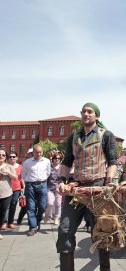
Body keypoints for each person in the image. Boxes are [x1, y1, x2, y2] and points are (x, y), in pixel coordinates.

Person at [56, 102, 117, 271]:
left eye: (90, 111)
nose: (86, 114)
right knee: (64, 231)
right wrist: (61, 179)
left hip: (98, 189)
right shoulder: (73, 137)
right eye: (83, 111)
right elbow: (67, 161)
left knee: (102, 233)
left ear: (96, 116)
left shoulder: (107, 135)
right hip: (76, 189)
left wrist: (109, 181)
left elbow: (112, 162)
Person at [22, 144, 51, 236]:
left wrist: (42, 180)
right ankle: (33, 227)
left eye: (40, 152)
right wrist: (29, 182)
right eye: (36, 152)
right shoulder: (27, 162)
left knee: (42, 206)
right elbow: (24, 174)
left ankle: (37, 221)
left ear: (42, 152)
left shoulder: (46, 161)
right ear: (33, 152)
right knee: (31, 207)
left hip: (42, 184)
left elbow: (48, 172)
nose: (38, 154)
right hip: (30, 185)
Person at [3, 152, 24, 230]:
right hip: (7, 188)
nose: (12, 158)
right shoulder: (5, 167)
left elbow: (22, 178)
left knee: (13, 205)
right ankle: (4, 222)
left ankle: (10, 222)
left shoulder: (20, 167)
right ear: (8, 158)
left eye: (14, 157)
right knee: (6, 206)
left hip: (16, 188)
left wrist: (23, 187)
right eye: (10, 157)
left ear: (17, 158)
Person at [0, 149, 18, 240]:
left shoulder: (9, 166)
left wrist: (8, 172)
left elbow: (15, 178)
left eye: (3, 155)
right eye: (0, 154)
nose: (1, 156)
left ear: (5, 157)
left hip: (6, 193)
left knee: (2, 213)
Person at [44, 151, 63, 225]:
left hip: (59, 189)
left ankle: (56, 218)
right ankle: (47, 216)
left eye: (58, 158)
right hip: (50, 188)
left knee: (58, 204)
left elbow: (65, 177)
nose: (57, 159)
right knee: (50, 203)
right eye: (55, 158)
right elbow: (45, 178)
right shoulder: (49, 168)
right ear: (52, 159)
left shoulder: (62, 168)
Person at [16, 148, 33, 225]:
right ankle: (19, 219)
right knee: (25, 205)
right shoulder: (25, 163)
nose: (32, 154)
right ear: (28, 154)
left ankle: (31, 221)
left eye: (33, 153)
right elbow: (22, 176)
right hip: (27, 186)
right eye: (30, 153)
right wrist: (23, 186)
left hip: (36, 186)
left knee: (33, 205)